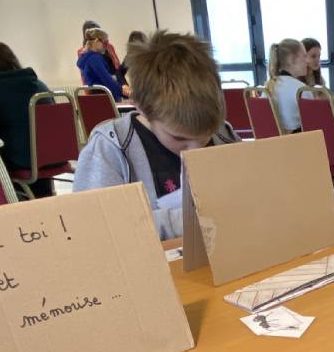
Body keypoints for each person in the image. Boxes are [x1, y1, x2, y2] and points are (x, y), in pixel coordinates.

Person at [74, 31, 239, 239]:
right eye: (179, 138)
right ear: (142, 107)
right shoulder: (109, 149)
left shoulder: (224, 135)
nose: (196, 151)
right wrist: (195, 220)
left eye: (206, 135)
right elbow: (93, 229)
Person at [0, 42, 56, 198]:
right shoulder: (40, 86)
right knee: (30, 144)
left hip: (25, 159)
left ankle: (14, 200)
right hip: (56, 153)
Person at [265, 38, 310, 133]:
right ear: (292, 59)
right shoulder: (301, 89)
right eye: (304, 56)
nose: (307, 61)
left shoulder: (268, 88)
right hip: (299, 143)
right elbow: (314, 123)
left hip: (272, 144)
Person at [78, 28, 125, 101]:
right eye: (105, 43)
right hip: (103, 98)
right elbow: (107, 79)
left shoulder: (88, 57)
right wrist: (123, 92)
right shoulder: (94, 59)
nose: (106, 46)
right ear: (97, 41)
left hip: (98, 97)